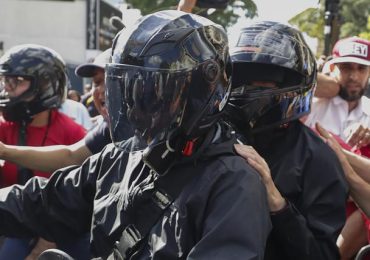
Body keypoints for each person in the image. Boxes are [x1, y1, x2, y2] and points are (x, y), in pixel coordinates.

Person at [0, 10, 271, 259]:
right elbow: (42, 201)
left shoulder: (234, 183)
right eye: (129, 89)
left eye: (154, 91)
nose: (136, 106)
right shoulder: (120, 155)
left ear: (199, 92)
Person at [225, 21, 348, 259]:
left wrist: (278, 205)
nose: (248, 90)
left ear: (291, 84)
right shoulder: (215, 137)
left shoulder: (318, 160)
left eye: (264, 80)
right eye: (244, 79)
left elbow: (322, 254)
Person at [0, 44, 87, 259]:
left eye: (16, 81)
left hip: (58, 234)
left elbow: (81, 200)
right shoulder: (3, 128)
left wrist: (46, 242)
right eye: (5, 81)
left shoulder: (74, 134)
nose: (7, 89)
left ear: (45, 84)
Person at [305, 36, 370, 151]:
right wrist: (331, 87)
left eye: (361, 68)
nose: (353, 76)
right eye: (346, 67)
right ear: (332, 67)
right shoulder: (311, 105)